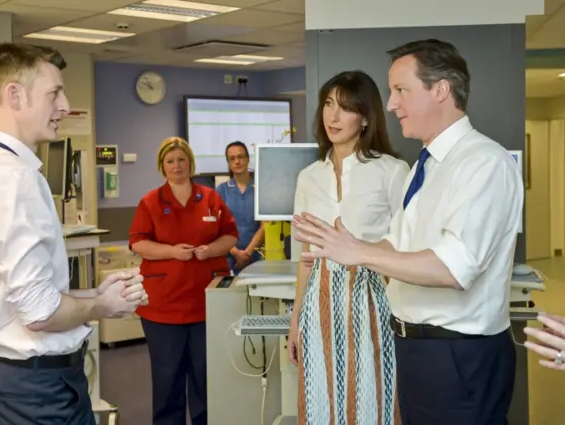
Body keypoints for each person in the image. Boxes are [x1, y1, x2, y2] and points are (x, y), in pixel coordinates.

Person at [293, 39, 524, 425]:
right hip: (415, 348)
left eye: (401, 90)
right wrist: (343, 249)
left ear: (440, 90)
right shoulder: (426, 166)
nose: (389, 104)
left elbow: (454, 269)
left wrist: (359, 253)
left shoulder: (484, 163)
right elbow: (397, 245)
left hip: (458, 354)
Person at [0, 42, 149, 425]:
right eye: (54, 93)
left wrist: (96, 294)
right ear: (14, 95)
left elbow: (28, 294)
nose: (65, 105)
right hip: (35, 387)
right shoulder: (11, 178)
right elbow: (40, 312)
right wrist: (102, 307)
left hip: (25, 380)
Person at [287, 70, 409, 425]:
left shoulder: (393, 171)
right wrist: (295, 322)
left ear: (367, 116)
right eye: (328, 104)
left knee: (376, 401)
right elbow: (306, 259)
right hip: (319, 304)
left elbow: (405, 246)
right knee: (322, 403)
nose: (333, 116)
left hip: (375, 302)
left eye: (345, 107)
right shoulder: (309, 177)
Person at [129, 136, 238, 425]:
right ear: (162, 166)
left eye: (181, 160)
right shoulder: (151, 201)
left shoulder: (211, 198)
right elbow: (138, 243)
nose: (176, 166)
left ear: (190, 162)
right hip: (163, 307)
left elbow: (230, 236)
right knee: (168, 377)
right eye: (170, 161)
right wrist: (172, 252)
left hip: (206, 303)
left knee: (205, 377)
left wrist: (211, 250)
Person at [216, 141, 264, 274]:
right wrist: (236, 253)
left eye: (241, 157)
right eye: (232, 158)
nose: (237, 161)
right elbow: (218, 227)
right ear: (228, 163)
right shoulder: (221, 191)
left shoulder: (261, 188)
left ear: (248, 159)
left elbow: (265, 225)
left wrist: (247, 253)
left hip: (258, 257)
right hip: (230, 260)